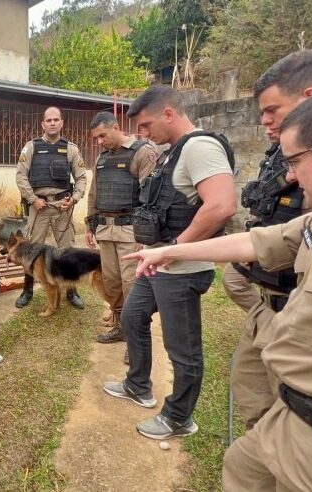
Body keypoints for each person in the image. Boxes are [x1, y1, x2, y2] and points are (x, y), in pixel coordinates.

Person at [127, 79, 312, 490]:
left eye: (296, 161)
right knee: (243, 466)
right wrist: (167, 252)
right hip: (288, 420)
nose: (292, 177)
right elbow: (255, 241)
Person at [102, 85, 236, 440]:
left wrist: (175, 247)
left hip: (181, 267)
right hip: (159, 262)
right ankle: (138, 385)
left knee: (183, 348)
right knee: (132, 317)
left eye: (147, 125)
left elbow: (222, 206)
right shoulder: (171, 151)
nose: (143, 134)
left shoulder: (200, 147)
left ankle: (179, 417)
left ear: (169, 114)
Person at [226, 49, 312, 429]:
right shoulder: (279, 154)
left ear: (310, 99)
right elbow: (269, 212)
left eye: (272, 109)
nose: (265, 121)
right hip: (273, 300)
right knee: (254, 397)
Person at [85, 111, 159, 345]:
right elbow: (94, 193)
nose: (99, 141)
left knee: (132, 285)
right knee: (112, 282)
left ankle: (135, 338)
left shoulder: (142, 152)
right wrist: (90, 224)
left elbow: (151, 196)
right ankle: (119, 327)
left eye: (102, 135)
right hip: (105, 230)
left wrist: (146, 234)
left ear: (116, 127)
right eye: (96, 138)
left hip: (130, 231)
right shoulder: (102, 158)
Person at [15, 106, 87, 310]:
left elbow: (81, 177)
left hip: (62, 207)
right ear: (43, 124)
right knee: (30, 251)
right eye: (49, 120)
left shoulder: (71, 149)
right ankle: (27, 290)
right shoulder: (31, 148)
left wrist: (73, 199)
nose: (53, 123)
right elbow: (20, 176)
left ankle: (72, 292)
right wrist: (32, 199)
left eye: (56, 120)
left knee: (68, 251)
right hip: (38, 206)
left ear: (62, 123)